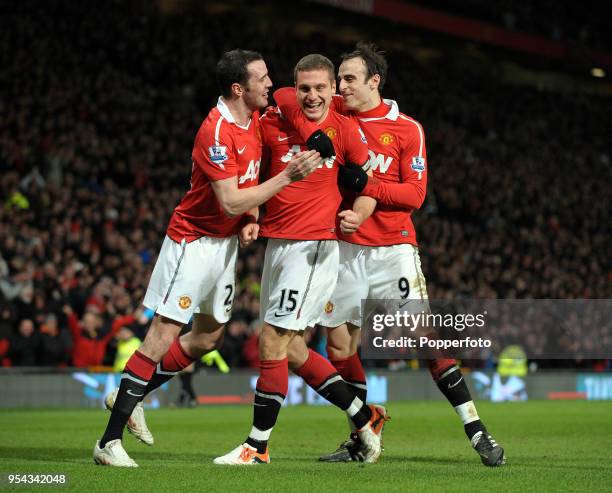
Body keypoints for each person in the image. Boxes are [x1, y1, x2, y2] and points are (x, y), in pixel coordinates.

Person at [273, 42, 505, 467]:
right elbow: (285, 96)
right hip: (342, 249)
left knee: (423, 339)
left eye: (348, 79)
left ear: (374, 82)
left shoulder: (406, 128)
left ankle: (476, 429)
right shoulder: (335, 114)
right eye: (338, 79)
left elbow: (414, 194)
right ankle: (363, 437)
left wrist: (366, 184)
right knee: (340, 346)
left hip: (393, 247)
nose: (339, 88)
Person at [93, 49, 323, 467]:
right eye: (262, 78)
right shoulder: (215, 132)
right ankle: (107, 442)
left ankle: (132, 394)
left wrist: (252, 217)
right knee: (162, 334)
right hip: (192, 243)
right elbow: (231, 199)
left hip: (225, 245)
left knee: (207, 338)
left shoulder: (254, 120)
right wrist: (286, 178)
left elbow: (244, 195)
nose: (270, 84)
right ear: (239, 88)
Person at [213, 54, 386, 466]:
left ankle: (257, 447)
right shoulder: (273, 119)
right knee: (288, 351)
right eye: (304, 88)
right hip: (277, 246)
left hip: (312, 249)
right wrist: (252, 215)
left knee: (271, 341)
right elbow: (254, 172)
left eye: (320, 88)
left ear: (332, 90)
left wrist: (357, 213)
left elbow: (369, 186)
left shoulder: (345, 130)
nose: (311, 96)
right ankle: (365, 416)